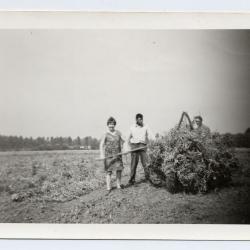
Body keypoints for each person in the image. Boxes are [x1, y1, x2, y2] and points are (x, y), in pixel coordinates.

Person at [126, 113, 154, 186]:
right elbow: (127, 138)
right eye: (138, 119)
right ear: (136, 120)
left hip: (142, 145)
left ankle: (148, 178)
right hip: (134, 146)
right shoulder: (132, 127)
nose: (140, 120)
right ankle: (132, 180)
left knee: (145, 163)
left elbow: (151, 135)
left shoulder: (146, 126)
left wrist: (155, 141)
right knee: (133, 164)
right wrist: (127, 147)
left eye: (141, 119)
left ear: (142, 119)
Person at [99, 117, 124, 195]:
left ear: (114, 125)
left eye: (112, 125)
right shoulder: (105, 134)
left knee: (118, 170)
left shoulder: (119, 133)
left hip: (118, 155)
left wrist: (124, 148)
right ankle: (108, 188)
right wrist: (102, 154)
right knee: (108, 172)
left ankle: (118, 186)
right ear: (107, 125)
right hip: (108, 156)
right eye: (110, 125)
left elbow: (125, 140)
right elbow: (101, 145)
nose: (111, 126)